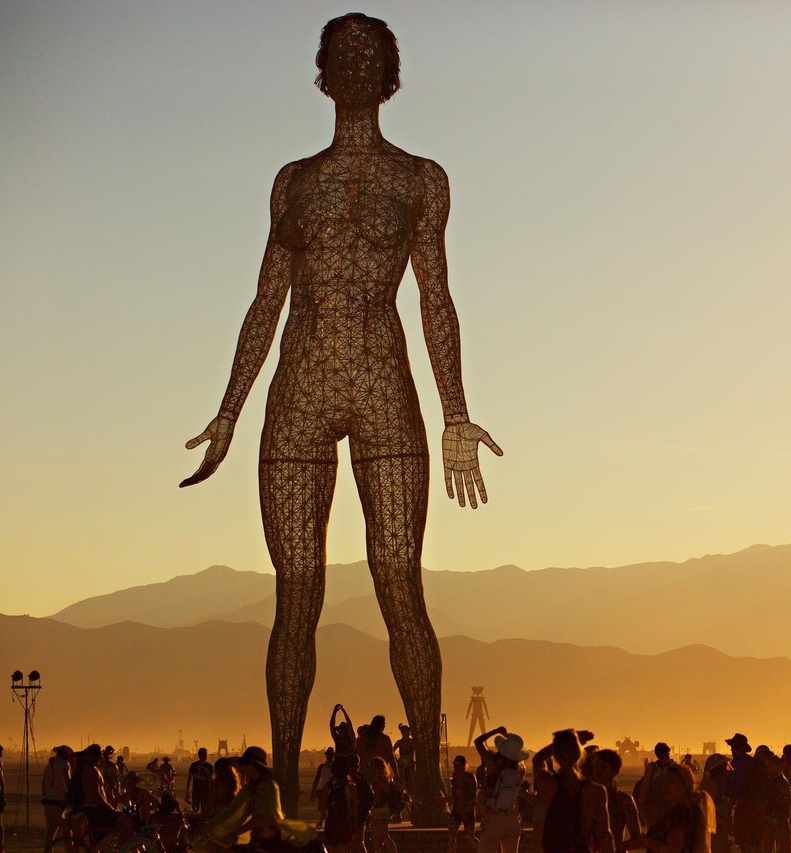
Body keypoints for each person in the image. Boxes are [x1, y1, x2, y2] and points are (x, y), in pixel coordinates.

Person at [180, 10, 503, 817]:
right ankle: (281, 785)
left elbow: (437, 296)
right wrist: (227, 408)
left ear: (388, 75)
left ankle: (426, 778)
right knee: (297, 592)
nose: (355, 65)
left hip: (383, 385)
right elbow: (264, 299)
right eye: (341, 53)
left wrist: (455, 411)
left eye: (370, 54)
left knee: (401, 583)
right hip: (297, 392)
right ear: (323, 73)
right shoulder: (293, 180)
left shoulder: (420, 178)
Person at [203, 746, 316, 848]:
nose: (242, 768)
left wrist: (234, 833)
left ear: (254, 765)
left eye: (245, 764)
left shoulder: (268, 786)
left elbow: (262, 818)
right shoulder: (249, 788)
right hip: (255, 837)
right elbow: (231, 810)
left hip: (271, 840)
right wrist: (209, 826)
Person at [533, 728, 612, 853]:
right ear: (579, 754)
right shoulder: (596, 790)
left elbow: (538, 759)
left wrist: (564, 742)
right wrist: (575, 742)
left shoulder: (548, 783)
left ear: (556, 756)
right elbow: (605, 834)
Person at [620, 763, 713, 853]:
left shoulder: (679, 813)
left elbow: (672, 849)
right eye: (664, 782)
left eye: (671, 782)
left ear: (684, 785)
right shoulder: (685, 810)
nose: (665, 786)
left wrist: (648, 842)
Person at [475, 727, 528, 853]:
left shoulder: (492, 763)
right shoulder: (521, 770)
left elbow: (478, 742)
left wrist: (496, 731)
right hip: (513, 819)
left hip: (493, 817)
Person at [724, 734, 767, 853]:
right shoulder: (755, 763)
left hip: (743, 808)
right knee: (756, 843)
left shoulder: (734, 765)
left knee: (744, 843)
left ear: (738, 747)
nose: (731, 749)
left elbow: (732, 792)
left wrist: (728, 813)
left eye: (733, 747)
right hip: (758, 809)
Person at [593, 748, 642, 845]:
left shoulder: (623, 801)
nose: (598, 771)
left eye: (604, 767)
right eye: (596, 766)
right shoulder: (585, 797)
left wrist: (615, 847)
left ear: (615, 771)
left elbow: (637, 837)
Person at [324, 754, 359, 853]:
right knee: (345, 848)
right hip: (346, 820)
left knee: (332, 848)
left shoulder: (328, 785)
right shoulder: (351, 786)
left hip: (332, 820)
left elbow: (324, 805)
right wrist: (355, 821)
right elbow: (355, 805)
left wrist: (321, 819)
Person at [42, 745, 73, 852]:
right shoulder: (64, 765)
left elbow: (43, 788)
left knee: (51, 832)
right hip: (59, 802)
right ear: (65, 755)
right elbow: (68, 782)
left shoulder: (48, 766)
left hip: (48, 802)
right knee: (67, 831)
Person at [698, 754, 731, 853]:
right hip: (713, 830)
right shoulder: (711, 785)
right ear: (718, 770)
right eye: (724, 767)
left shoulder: (715, 783)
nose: (727, 770)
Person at [640, 743, 676, 831]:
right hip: (654, 810)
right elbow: (644, 789)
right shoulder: (652, 768)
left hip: (670, 809)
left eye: (667, 755)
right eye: (664, 756)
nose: (666, 758)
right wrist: (641, 810)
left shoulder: (675, 767)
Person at [446, 755, 478, 853]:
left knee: (470, 836)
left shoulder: (470, 777)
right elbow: (454, 796)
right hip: (457, 810)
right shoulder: (455, 779)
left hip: (467, 810)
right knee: (451, 834)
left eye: (457, 763)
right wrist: (440, 800)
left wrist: (465, 807)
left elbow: (473, 796)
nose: (455, 766)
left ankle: (482, 850)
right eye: (454, 763)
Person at [370, 757, 400, 853]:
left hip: (379, 809)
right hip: (385, 809)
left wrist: (371, 806)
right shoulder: (386, 779)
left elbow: (377, 795)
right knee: (385, 836)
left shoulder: (379, 779)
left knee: (376, 838)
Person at [357, 717, 399, 783]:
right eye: (384, 724)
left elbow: (359, 754)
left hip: (366, 771)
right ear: (381, 725)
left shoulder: (362, 738)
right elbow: (391, 757)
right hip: (380, 772)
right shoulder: (384, 739)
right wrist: (396, 773)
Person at [311, 748, 336, 829]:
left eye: (331, 755)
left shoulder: (336, 767)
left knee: (329, 810)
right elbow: (317, 779)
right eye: (328, 755)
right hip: (323, 790)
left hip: (333, 791)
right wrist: (313, 791)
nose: (329, 757)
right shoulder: (322, 767)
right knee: (323, 809)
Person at [186, 747, 214, 816]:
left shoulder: (208, 766)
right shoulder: (196, 765)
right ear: (199, 755)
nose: (205, 756)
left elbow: (211, 780)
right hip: (198, 791)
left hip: (204, 791)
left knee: (203, 811)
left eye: (205, 754)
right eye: (204, 754)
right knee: (196, 810)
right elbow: (189, 779)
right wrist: (187, 792)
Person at [394, 724, 416, 795]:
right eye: (403, 730)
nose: (404, 732)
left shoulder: (412, 742)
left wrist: (415, 762)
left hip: (410, 765)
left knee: (413, 783)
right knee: (399, 782)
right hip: (401, 765)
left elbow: (419, 751)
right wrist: (397, 761)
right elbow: (392, 752)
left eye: (406, 730)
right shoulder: (399, 742)